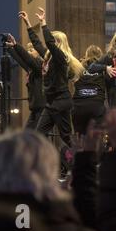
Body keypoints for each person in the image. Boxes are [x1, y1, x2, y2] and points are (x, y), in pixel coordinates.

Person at [29, 8, 84, 149]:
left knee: (67, 137)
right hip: (51, 103)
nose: (49, 43)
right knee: (38, 135)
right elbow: (37, 44)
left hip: (61, 102)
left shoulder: (60, 58)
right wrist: (28, 24)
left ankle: (85, 160)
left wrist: (43, 23)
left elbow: (48, 43)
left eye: (53, 40)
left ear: (57, 42)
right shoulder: (49, 58)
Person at [5, 34, 45, 129]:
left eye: (31, 50)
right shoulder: (31, 68)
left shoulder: (40, 66)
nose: (29, 52)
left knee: (37, 135)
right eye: (28, 50)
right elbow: (20, 60)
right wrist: (9, 48)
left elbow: (27, 59)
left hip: (41, 108)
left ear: (38, 52)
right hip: (36, 108)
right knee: (29, 134)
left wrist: (15, 45)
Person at [72, 45, 107, 135]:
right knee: (96, 139)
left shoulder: (78, 66)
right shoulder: (103, 68)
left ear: (86, 54)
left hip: (78, 106)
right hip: (96, 105)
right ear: (100, 55)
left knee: (80, 138)